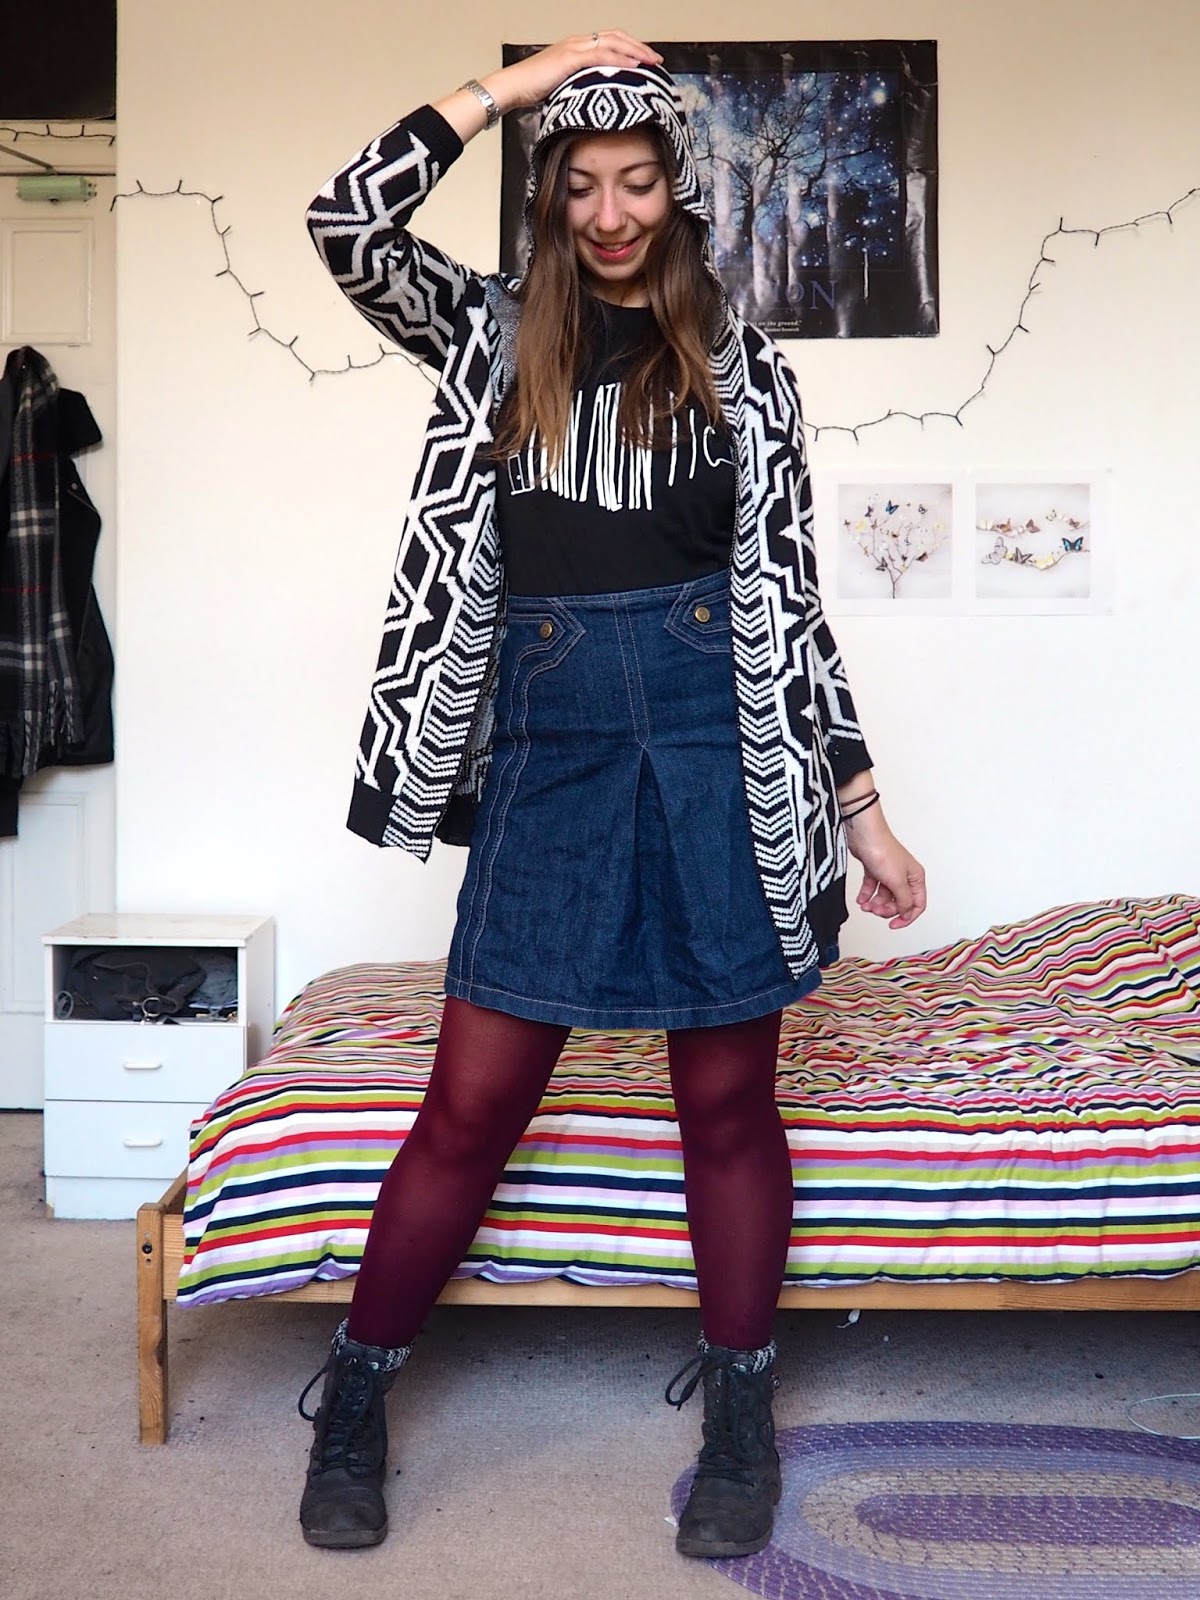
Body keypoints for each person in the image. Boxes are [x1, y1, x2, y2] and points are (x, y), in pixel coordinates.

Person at [301, 29, 927, 1561]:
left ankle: (736, 1411)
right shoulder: (484, 332)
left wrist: (859, 805)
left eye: (637, 179)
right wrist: (509, 86)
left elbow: (792, 602)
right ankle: (360, 1391)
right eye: (576, 183)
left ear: (681, 194)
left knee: (726, 1103)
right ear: (547, 201)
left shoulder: (753, 373)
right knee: (472, 1104)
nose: (609, 210)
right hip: (550, 753)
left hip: (724, 751)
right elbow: (344, 224)